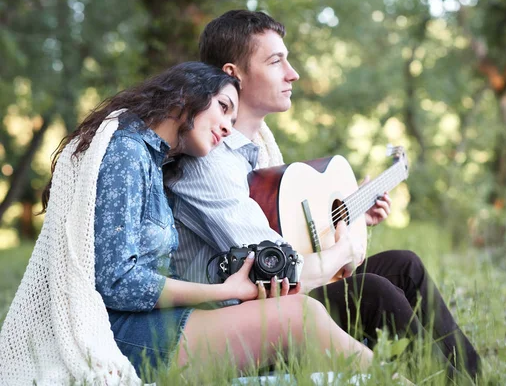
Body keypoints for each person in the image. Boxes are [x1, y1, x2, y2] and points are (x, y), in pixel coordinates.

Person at [0, 62, 372, 385]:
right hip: (117, 331)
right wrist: (224, 291)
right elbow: (118, 282)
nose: (227, 126)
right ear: (185, 96)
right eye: (223, 108)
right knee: (300, 316)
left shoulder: (153, 160)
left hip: (149, 321)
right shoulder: (127, 150)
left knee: (300, 318)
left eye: (232, 118)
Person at [168, 11, 482, 380]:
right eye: (275, 61)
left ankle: (476, 378)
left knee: (404, 265)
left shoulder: (260, 154)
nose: (293, 73)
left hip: (277, 294)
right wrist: (344, 250)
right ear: (233, 73)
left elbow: (286, 235)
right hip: (237, 314)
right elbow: (280, 268)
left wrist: (348, 218)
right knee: (372, 292)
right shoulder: (210, 161)